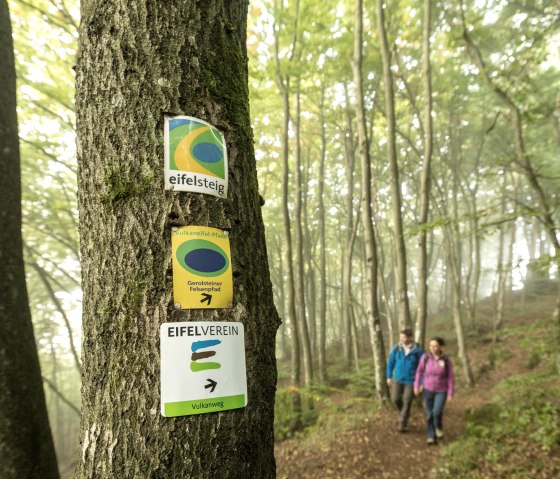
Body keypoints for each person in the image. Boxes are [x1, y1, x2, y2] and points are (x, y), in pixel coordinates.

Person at [414, 337, 455, 445]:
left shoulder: (446, 360)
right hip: (427, 390)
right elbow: (419, 372)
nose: (432, 348)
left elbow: (450, 377)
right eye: (431, 346)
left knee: (436, 413)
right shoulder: (425, 357)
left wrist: (450, 392)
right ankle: (431, 435)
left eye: (435, 346)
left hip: (441, 391)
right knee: (429, 414)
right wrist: (416, 385)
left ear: (440, 346)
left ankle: (439, 430)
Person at [386, 329, 424, 432]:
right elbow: (390, 362)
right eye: (401, 337)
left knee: (407, 401)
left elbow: (422, 368)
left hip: (411, 381)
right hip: (398, 379)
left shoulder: (418, 350)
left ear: (409, 338)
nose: (401, 339)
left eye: (404, 337)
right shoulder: (396, 349)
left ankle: (402, 424)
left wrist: (421, 382)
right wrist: (388, 376)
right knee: (395, 399)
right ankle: (404, 413)